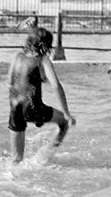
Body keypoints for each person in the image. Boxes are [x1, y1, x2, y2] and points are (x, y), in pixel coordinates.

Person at [7, 27, 76, 163]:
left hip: (15, 108)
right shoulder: (43, 60)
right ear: (45, 45)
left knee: (16, 159)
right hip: (33, 107)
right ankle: (45, 157)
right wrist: (67, 113)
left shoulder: (17, 56)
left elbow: (9, 83)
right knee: (64, 123)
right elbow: (56, 86)